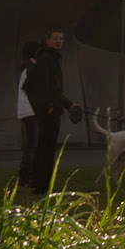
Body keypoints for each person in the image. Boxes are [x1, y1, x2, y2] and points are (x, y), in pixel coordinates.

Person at [21, 29, 81, 195]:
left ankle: (38, 183)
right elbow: (48, 88)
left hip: (50, 107)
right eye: (55, 38)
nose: (59, 41)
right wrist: (58, 105)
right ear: (47, 40)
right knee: (46, 148)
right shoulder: (47, 59)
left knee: (43, 147)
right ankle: (41, 185)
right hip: (49, 110)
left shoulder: (49, 58)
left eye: (61, 39)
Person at [15, 41, 41, 190]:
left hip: (29, 110)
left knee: (32, 144)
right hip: (32, 111)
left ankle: (27, 177)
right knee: (33, 145)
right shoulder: (32, 69)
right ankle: (26, 178)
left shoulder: (29, 68)